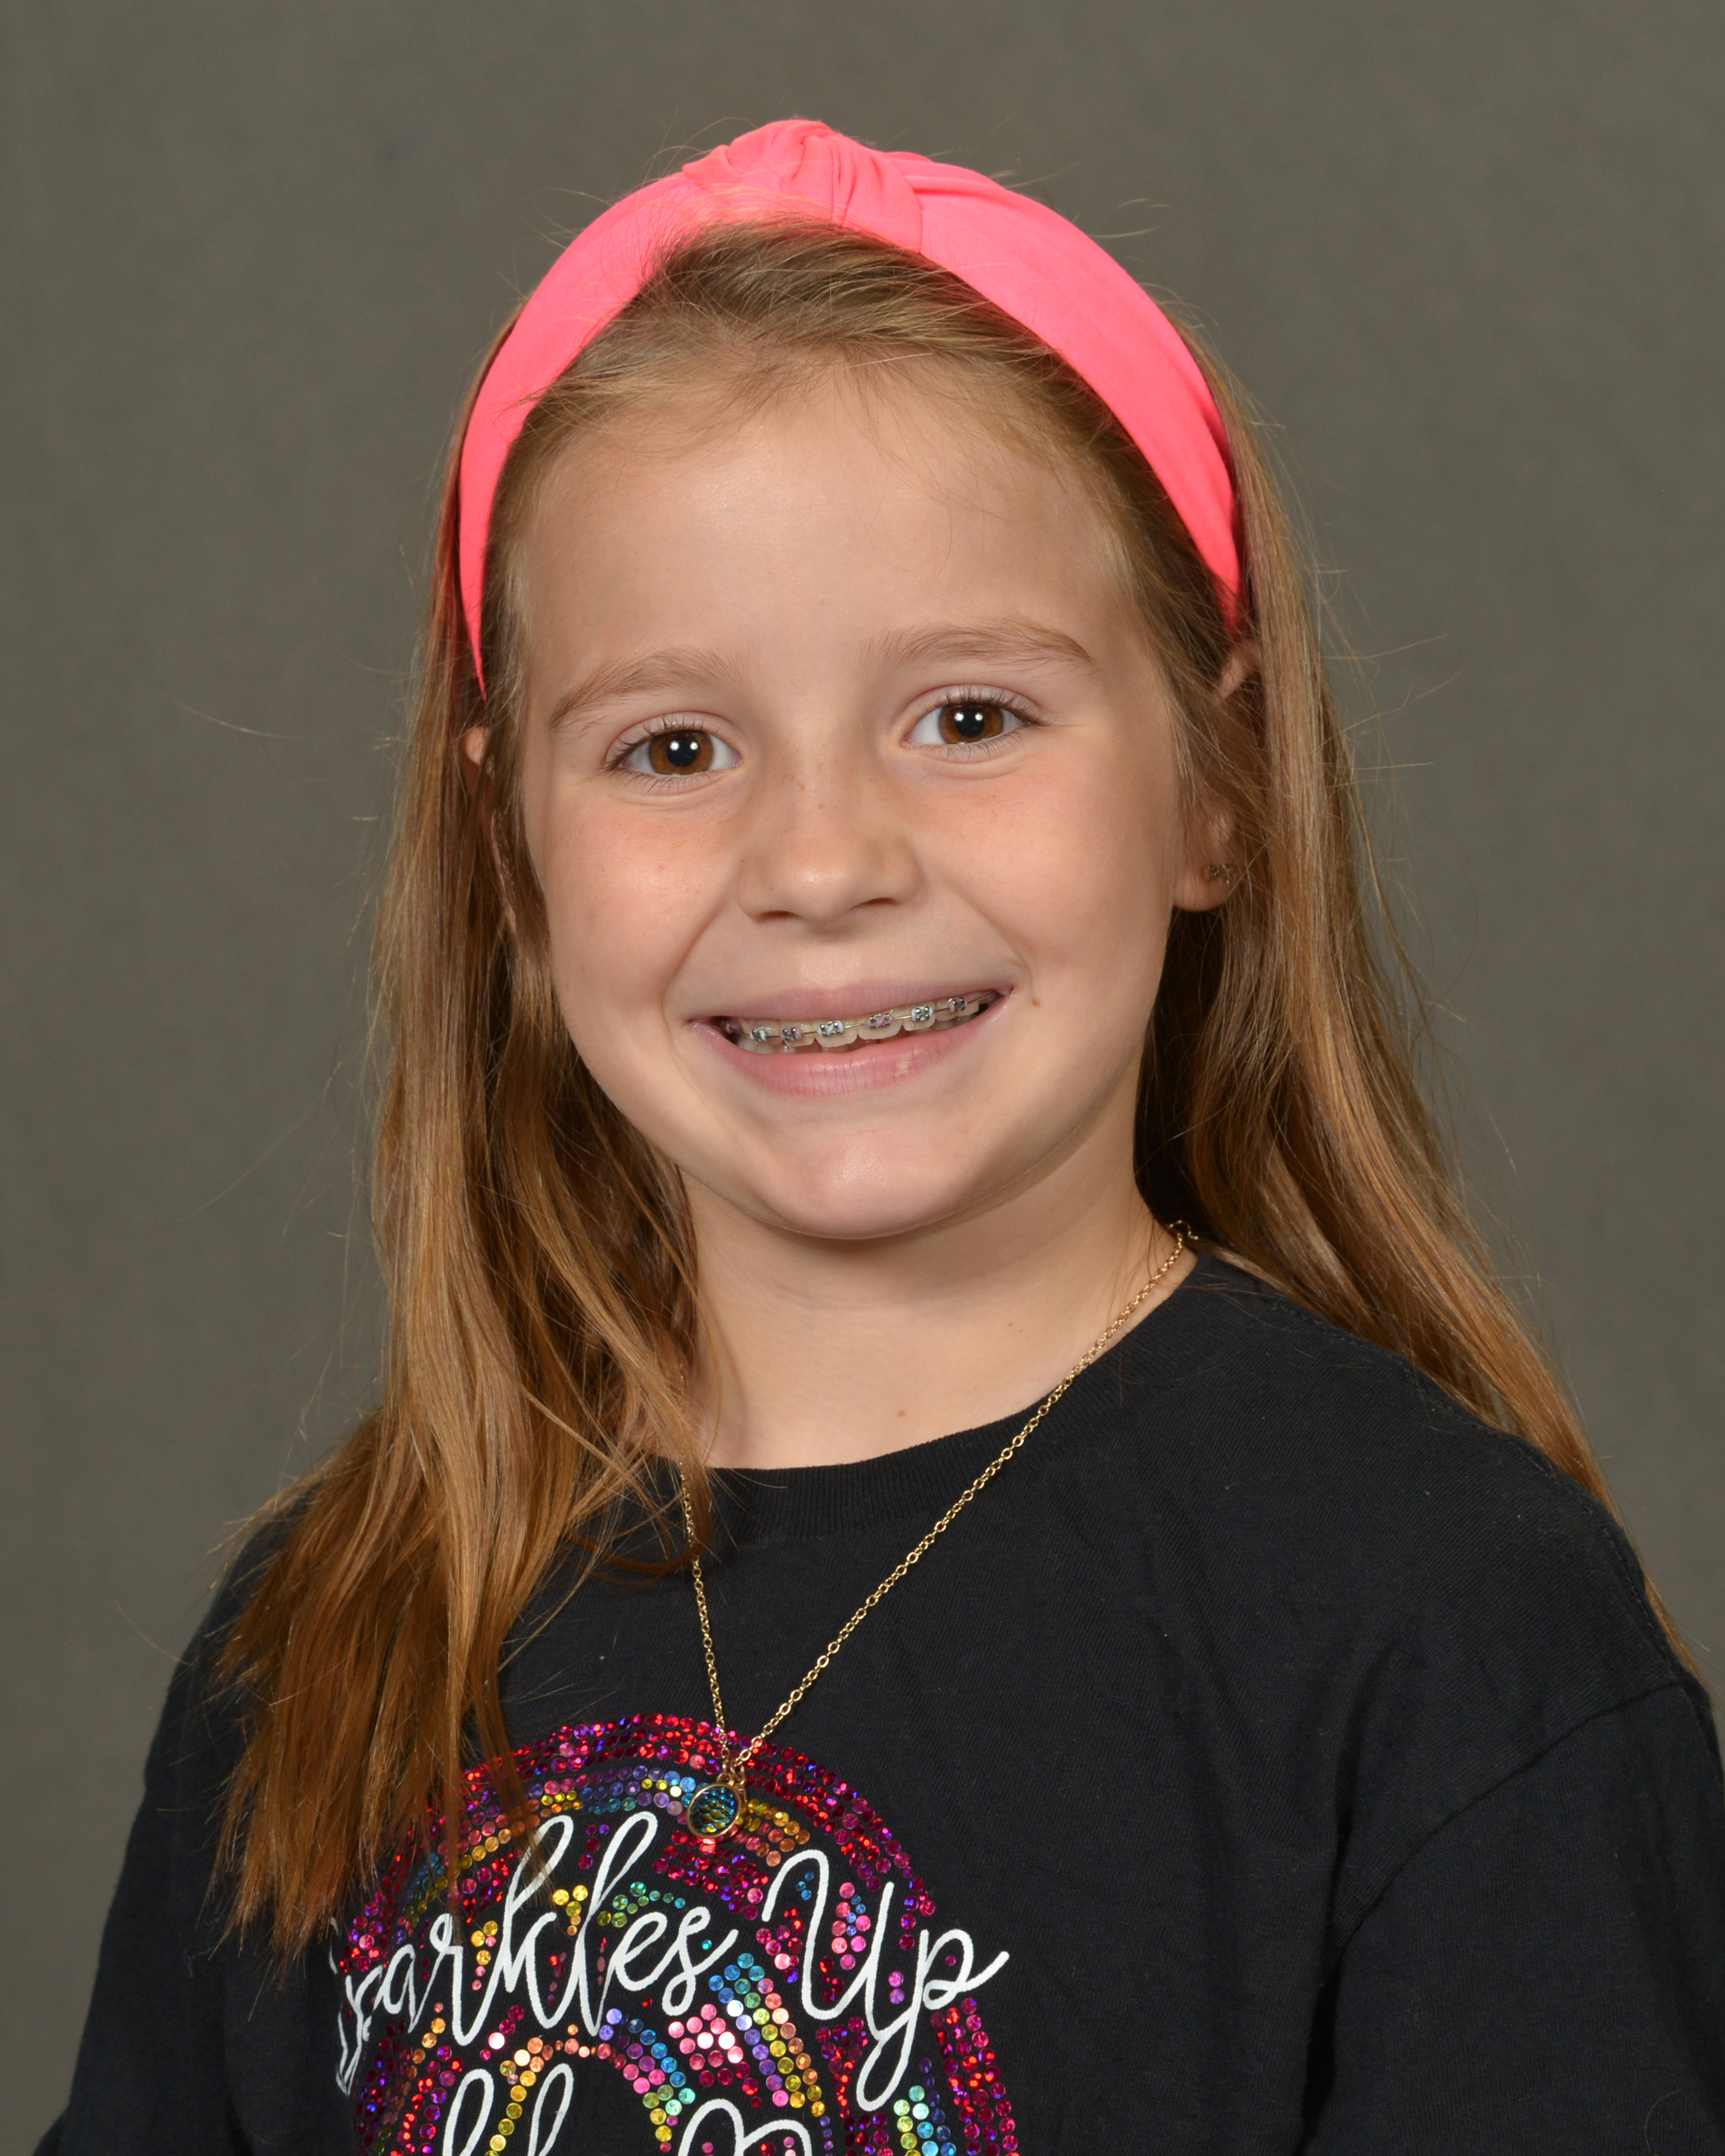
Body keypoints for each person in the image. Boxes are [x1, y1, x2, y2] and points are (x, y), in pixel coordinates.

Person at [42, 119, 1724, 2155]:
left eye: (969, 717)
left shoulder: (1453, 1634)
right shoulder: (325, 1647)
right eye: (675, 747)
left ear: (1218, 781)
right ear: (507, 855)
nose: (822, 862)